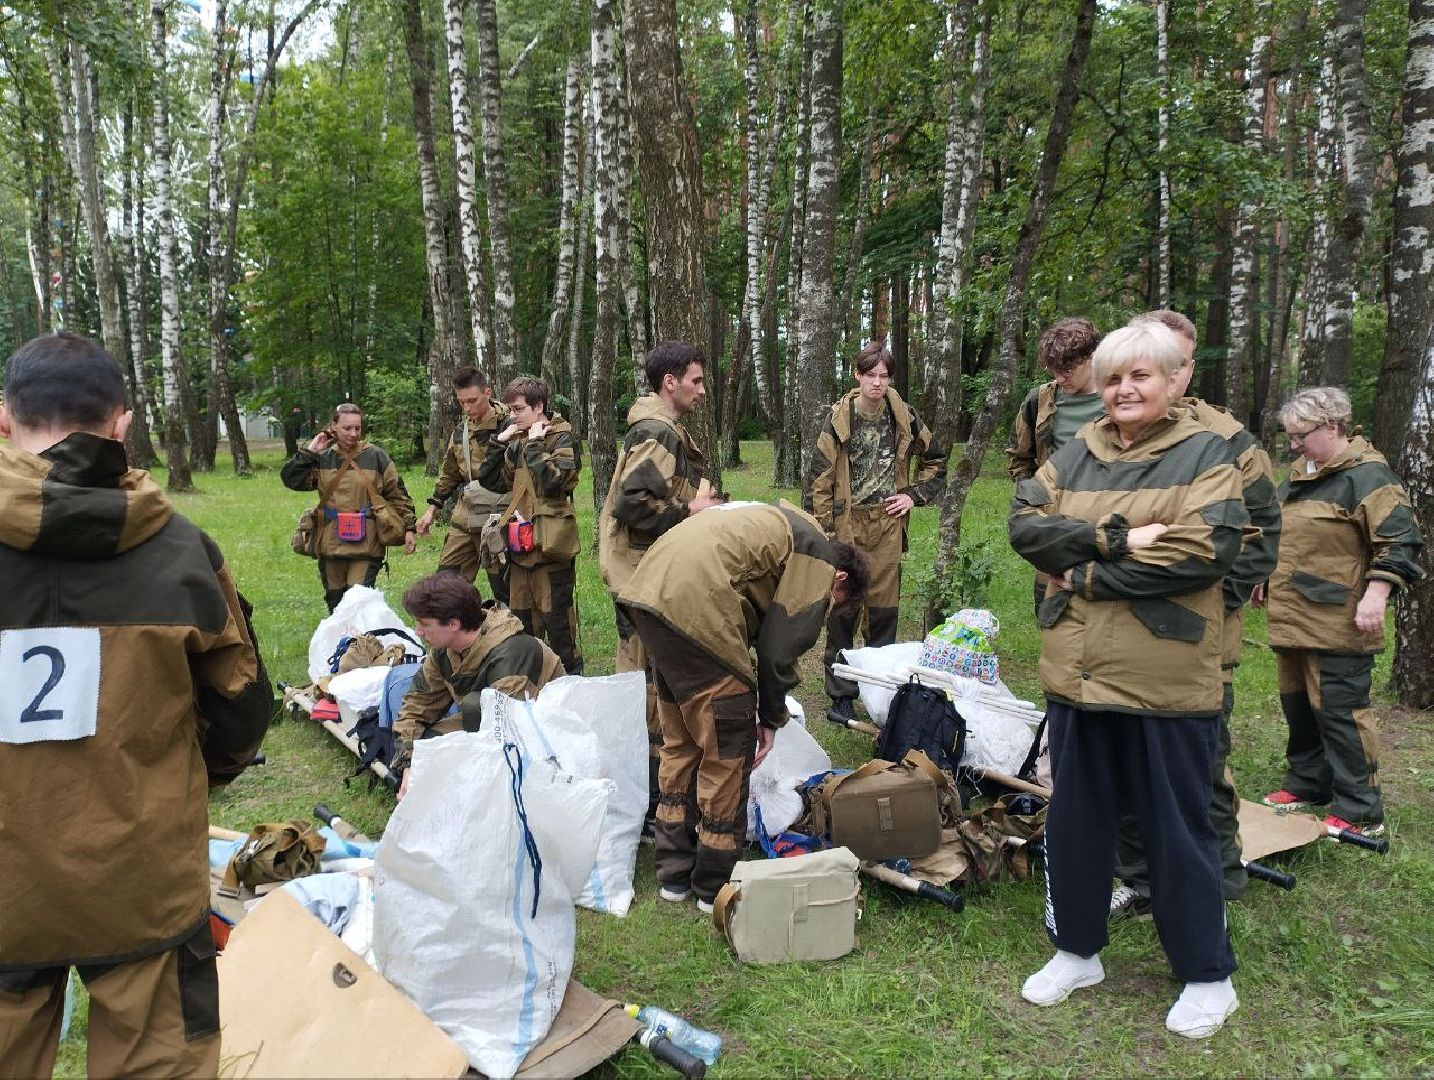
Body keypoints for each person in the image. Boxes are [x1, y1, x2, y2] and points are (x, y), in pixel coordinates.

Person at [0, 332, 272, 1077]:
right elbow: (242, 707)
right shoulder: (184, 551)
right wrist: (177, 784)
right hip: (141, 872)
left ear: (3, 418)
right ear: (120, 423)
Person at [1009, 321, 1248, 1039]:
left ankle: (1208, 974)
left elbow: (1201, 551)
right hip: (1076, 675)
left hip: (1164, 679)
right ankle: (1078, 951)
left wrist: (1080, 568)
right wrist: (1118, 537)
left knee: (1177, 830)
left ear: (1175, 380)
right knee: (1078, 825)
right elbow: (1024, 523)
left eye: (1141, 376)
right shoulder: (1076, 453)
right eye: (1114, 378)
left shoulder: (1210, 453)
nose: (1124, 389)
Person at [1108, 310, 1282, 916]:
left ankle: (1216, 878)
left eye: (1167, 364)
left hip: (1195, 637)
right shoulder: (1108, 435)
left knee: (1199, 765)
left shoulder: (1227, 441)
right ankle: (1136, 878)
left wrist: (1211, 600)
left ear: (1184, 371)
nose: (1151, 377)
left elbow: (1259, 535)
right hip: (1114, 633)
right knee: (1125, 760)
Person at [618, 500, 869, 912]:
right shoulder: (817, 557)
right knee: (726, 747)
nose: (825, 616)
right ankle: (712, 886)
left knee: (680, 743)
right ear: (838, 578)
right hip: (696, 607)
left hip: (649, 594)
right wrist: (769, 717)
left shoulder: (776, 522)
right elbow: (778, 649)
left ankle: (674, 876)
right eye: (833, 604)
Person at [1255, 387, 1423, 838]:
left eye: (1301, 435)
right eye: (1289, 435)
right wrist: (1262, 573)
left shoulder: (1369, 477)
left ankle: (1361, 811)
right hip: (1292, 616)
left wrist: (1377, 593)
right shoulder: (1295, 475)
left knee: (1341, 712)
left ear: (1333, 427)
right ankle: (1309, 784)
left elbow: (1400, 543)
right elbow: (1278, 533)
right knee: (1299, 708)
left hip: (1340, 620)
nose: (1293, 444)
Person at [599, 342, 724, 813]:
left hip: (641, 572)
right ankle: (647, 791)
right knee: (646, 683)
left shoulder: (658, 428)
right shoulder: (658, 432)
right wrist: (690, 510)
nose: (702, 390)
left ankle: (645, 783)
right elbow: (632, 505)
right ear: (669, 382)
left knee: (643, 677)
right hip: (640, 578)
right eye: (695, 380)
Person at [808, 340, 946, 725]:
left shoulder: (903, 415)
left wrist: (912, 497)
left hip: (887, 524)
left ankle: (877, 691)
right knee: (843, 608)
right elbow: (818, 480)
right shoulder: (840, 418)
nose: (878, 383)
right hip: (846, 523)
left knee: (884, 612)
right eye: (871, 375)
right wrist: (823, 535)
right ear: (857, 375)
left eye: (884, 376)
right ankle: (840, 694)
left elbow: (936, 461)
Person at [392, 570, 565, 798]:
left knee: (475, 706)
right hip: (482, 727)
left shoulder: (513, 651)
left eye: (424, 624)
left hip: (542, 736)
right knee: (426, 746)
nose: (417, 631)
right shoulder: (444, 651)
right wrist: (409, 764)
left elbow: (504, 731)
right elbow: (416, 707)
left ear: (453, 624)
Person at [479, 375, 584, 674]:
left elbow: (554, 483)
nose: (512, 415)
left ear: (538, 407)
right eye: (511, 409)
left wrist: (536, 444)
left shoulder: (562, 437)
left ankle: (571, 685)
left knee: (559, 627)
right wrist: (498, 444)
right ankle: (532, 685)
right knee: (522, 626)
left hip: (550, 550)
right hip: (520, 548)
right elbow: (492, 481)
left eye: (518, 409)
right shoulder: (516, 440)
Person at [1006, 317, 1106, 615]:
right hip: (1056, 527)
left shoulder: (1118, 398)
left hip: (1108, 522)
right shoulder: (1041, 400)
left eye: (1067, 370)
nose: (1060, 378)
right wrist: (1036, 507)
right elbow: (1018, 456)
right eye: (1054, 371)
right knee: (1052, 610)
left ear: (1092, 357)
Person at [281, 402, 418, 612]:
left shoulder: (376, 456)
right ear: (333, 427)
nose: (353, 433)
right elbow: (292, 480)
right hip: (330, 540)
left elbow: (397, 494)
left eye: (357, 428)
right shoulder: (323, 458)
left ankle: (360, 644)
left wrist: (409, 528)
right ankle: (339, 643)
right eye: (347, 428)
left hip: (367, 541)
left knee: (359, 600)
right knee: (335, 602)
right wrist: (310, 452)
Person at [415, 367, 511, 602]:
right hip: (465, 517)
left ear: (487, 392)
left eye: (472, 401)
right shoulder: (461, 431)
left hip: (500, 517)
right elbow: (449, 474)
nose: (467, 408)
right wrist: (431, 511)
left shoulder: (510, 425)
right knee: (446, 587)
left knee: (505, 590)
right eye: (462, 402)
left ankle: (513, 636)